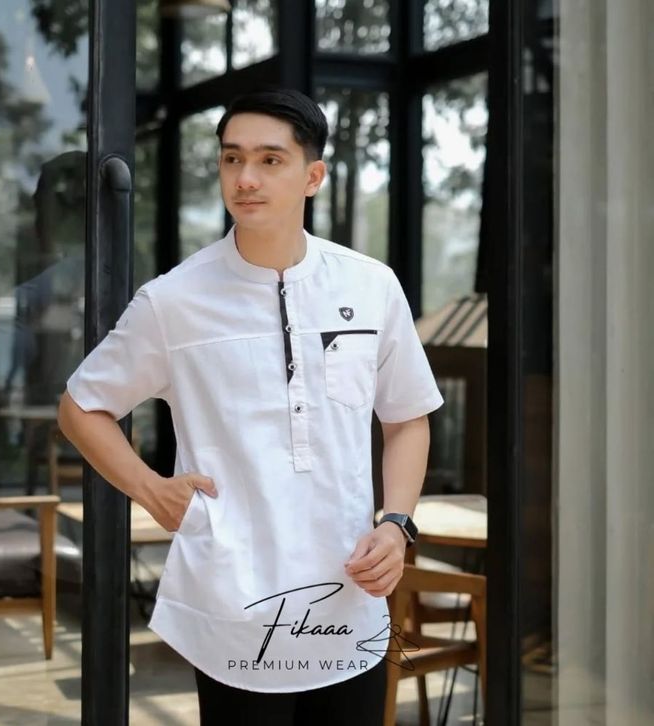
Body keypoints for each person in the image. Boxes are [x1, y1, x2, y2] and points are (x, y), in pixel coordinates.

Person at [58, 88, 443, 725]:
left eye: (269, 160)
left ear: (313, 177)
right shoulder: (173, 300)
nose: (245, 178)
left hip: (350, 599)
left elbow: (406, 418)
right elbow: (81, 406)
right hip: (233, 607)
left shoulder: (371, 286)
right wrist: (150, 490)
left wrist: (397, 523)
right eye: (232, 158)